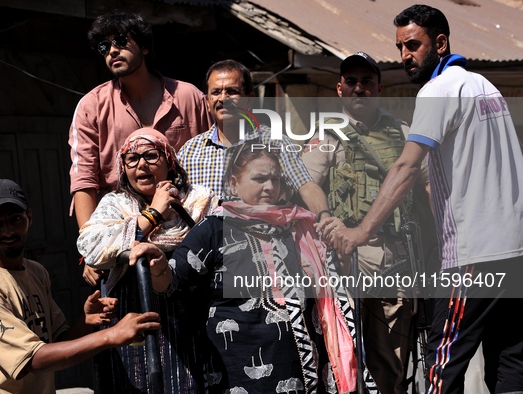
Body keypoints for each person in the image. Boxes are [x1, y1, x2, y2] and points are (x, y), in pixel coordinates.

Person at [332, 5, 523, 393]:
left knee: (441, 363)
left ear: (440, 42)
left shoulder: (438, 91)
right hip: (514, 251)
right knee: (510, 360)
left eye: (413, 45)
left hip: (473, 254)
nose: (405, 56)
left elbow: (405, 167)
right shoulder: (486, 88)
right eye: (400, 47)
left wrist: (360, 232)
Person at [130, 142, 372, 393]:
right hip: (236, 374)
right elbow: (172, 286)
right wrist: (158, 267)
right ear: (234, 184)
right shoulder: (214, 229)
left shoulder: (300, 227)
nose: (269, 187)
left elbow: (332, 289)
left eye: (275, 180)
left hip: (300, 371)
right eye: (259, 179)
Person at [302, 51, 437, 394]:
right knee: (345, 361)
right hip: (346, 263)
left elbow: (428, 186)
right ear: (339, 89)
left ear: (379, 87)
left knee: (391, 366)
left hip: (397, 263)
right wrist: (326, 217)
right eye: (351, 82)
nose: (358, 88)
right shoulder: (327, 134)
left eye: (366, 81)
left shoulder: (404, 133)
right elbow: (306, 181)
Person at [0, 179, 160, 394]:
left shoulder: (35, 272)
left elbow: (58, 342)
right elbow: (33, 360)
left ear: (30, 218)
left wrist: (85, 321)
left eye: (16, 219)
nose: (8, 231)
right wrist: (110, 335)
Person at [68, 10, 211, 285]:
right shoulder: (91, 106)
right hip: (121, 237)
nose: (112, 51)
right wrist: (90, 252)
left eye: (120, 41)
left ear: (145, 47)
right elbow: (83, 180)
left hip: (187, 230)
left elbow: (209, 156)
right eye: (104, 46)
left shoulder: (189, 97)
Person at [77, 127, 219, 393]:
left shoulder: (200, 201)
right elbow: (90, 245)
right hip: (132, 322)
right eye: (132, 159)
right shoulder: (114, 204)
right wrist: (153, 214)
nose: (141, 164)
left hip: (192, 322)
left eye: (151, 156)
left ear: (169, 161)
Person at [177, 60, 335, 231]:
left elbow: (305, 185)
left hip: (262, 247)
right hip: (206, 251)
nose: (223, 98)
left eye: (232, 91)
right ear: (207, 102)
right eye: (216, 92)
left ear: (249, 100)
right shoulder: (190, 151)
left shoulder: (274, 143)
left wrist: (325, 217)